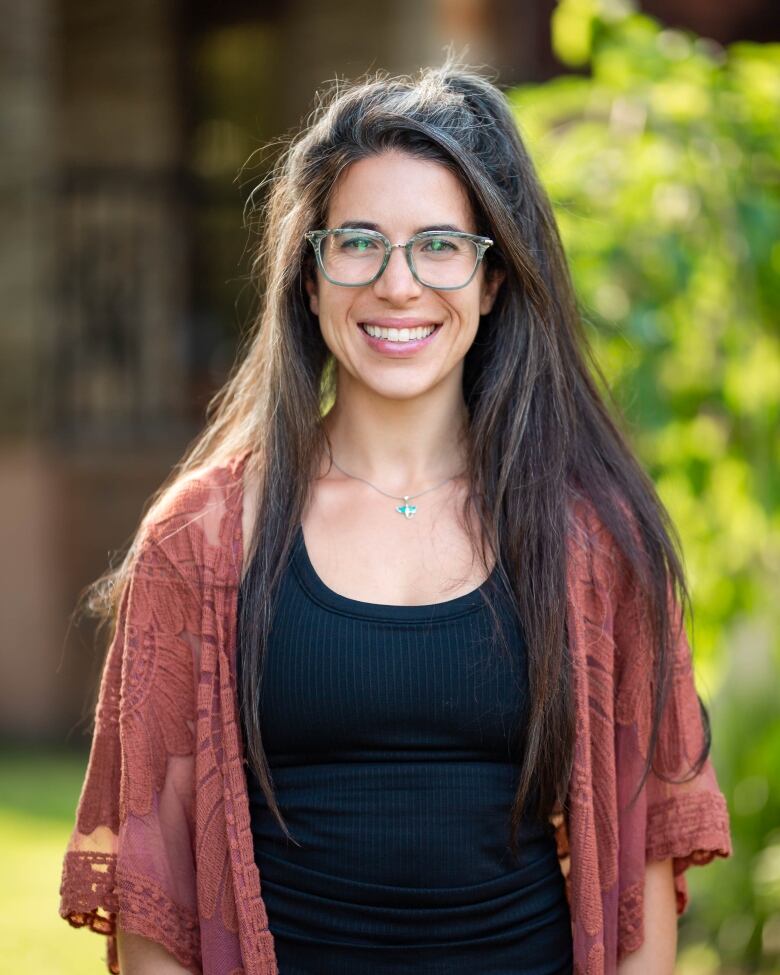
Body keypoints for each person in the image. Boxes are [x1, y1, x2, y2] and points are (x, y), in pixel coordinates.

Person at [58, 58, 732, 975]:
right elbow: (154, 895)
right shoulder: (203, 538)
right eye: (359, 243)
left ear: (494, 280)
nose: (399, 285)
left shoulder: (595, 537)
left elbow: (644, 860)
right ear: (309, 275)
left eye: (441, 245)